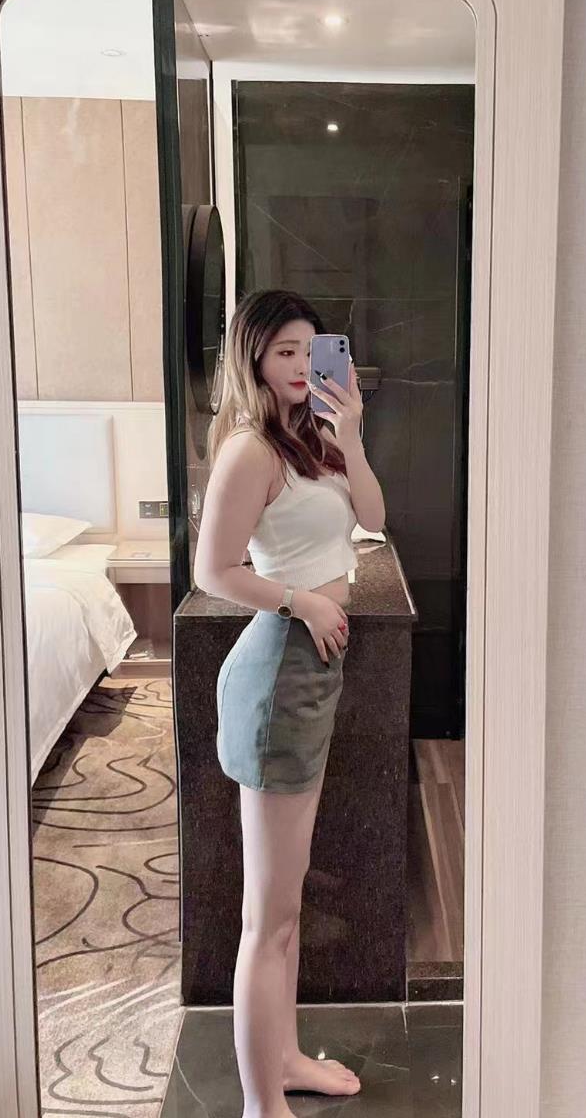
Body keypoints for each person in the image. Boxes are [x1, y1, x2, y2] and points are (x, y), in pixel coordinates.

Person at [194, 289, 386, 1118]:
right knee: (266, 916)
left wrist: (352, 436)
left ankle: (284, 1059)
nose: (303, 365)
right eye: (285, 352)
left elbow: (373, 518)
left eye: (311, 349)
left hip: (307, 672)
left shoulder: (313, 437)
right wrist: (301, 601)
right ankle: (260, 1104)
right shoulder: (249, 449)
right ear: (254, 359)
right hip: (280, 673)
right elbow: (213, 568)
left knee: (286, 904)